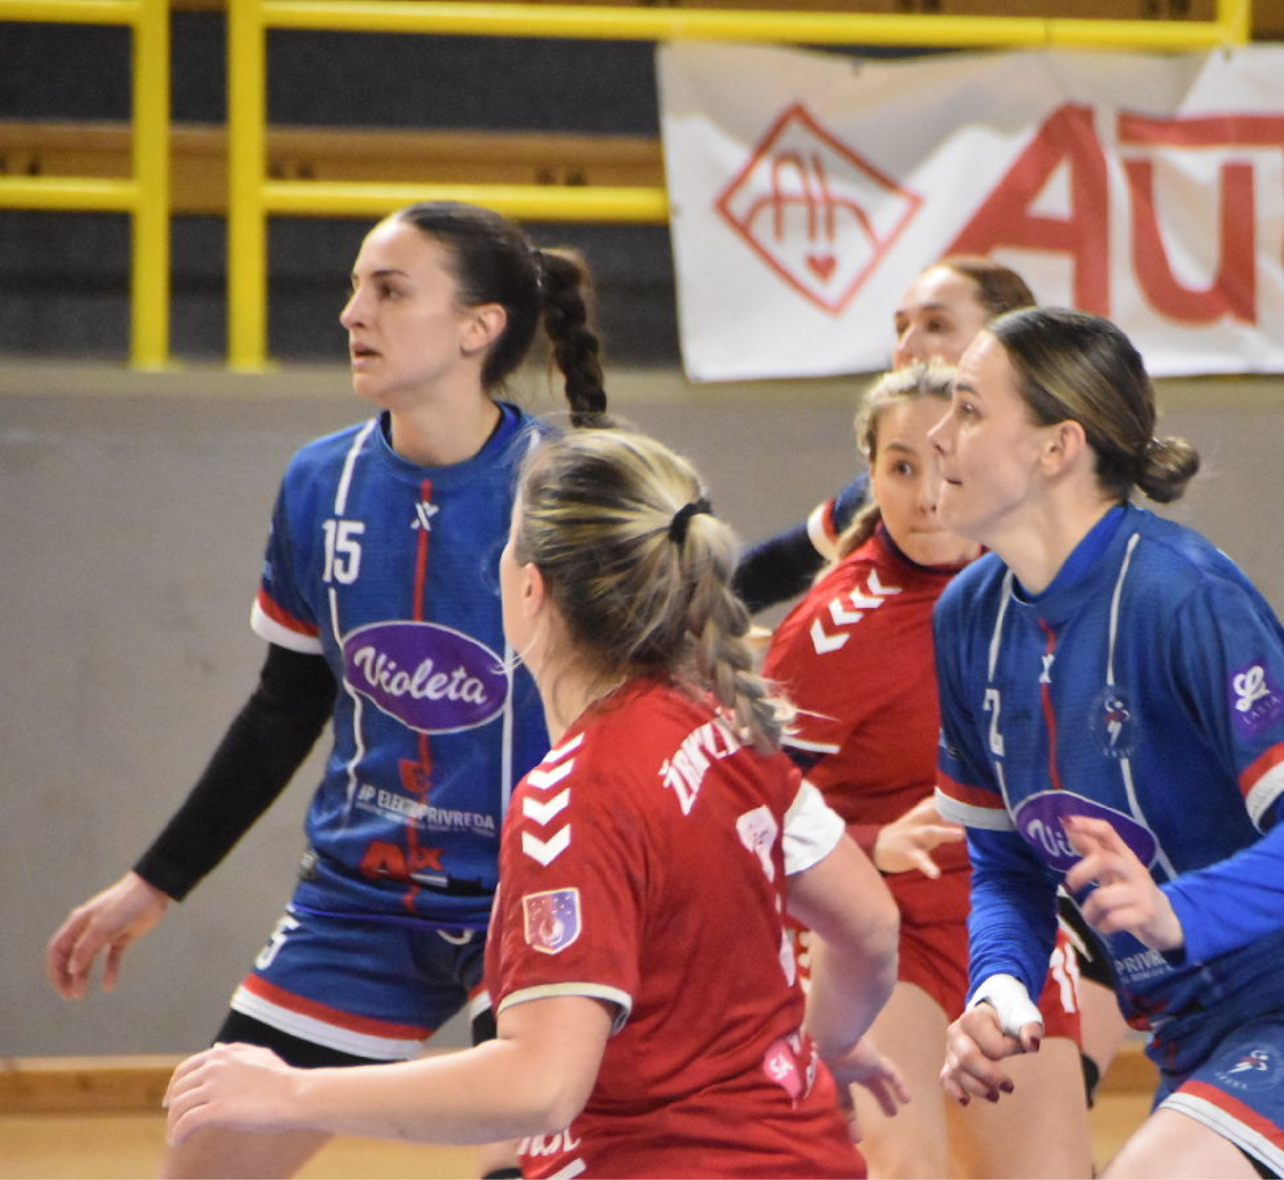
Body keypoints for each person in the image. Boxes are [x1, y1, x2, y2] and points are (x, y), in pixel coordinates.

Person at [164, 425, 907, 1178]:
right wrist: (832, 1043)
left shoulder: (573, 798)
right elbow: (871, 927)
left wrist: (292, 1092)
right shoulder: (726, 722)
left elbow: (539, 1085)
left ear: (530, 588)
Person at [46, 199, 609, 1180]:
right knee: (204, 1164)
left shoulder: (575, 488)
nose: (353, 312)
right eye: (355, 288)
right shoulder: (320, 483)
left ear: (478, 326)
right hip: (363, 901)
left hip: (540, 895)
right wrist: (158, 878)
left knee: (525, 1166)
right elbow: (284, 706)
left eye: (389, 290)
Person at [928, 308, 1284, 1180]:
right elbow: (1005, 864)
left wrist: (1179, 912)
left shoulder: (1182, 594)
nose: (940, 434)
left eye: (970, 410)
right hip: (1199, 1041)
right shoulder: (967, 618)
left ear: (1058, 446)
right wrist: (1001, 984)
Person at [762, 364, 1091, 1180]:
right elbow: (734, 809)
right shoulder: (835, 627)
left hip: (1009, 917)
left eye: (944, 463)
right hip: (874, 925)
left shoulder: (1046, 584)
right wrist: (872, 842)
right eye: (900, 467)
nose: (926, 494)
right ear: (868, 476)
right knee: (904, 1166)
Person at [732, 256, 1035, 615]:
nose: (907, 347)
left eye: (936, 325)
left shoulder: (1066, 475)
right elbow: (767, 571)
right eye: (900, 328)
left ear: (1007, 347)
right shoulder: (876, 491)